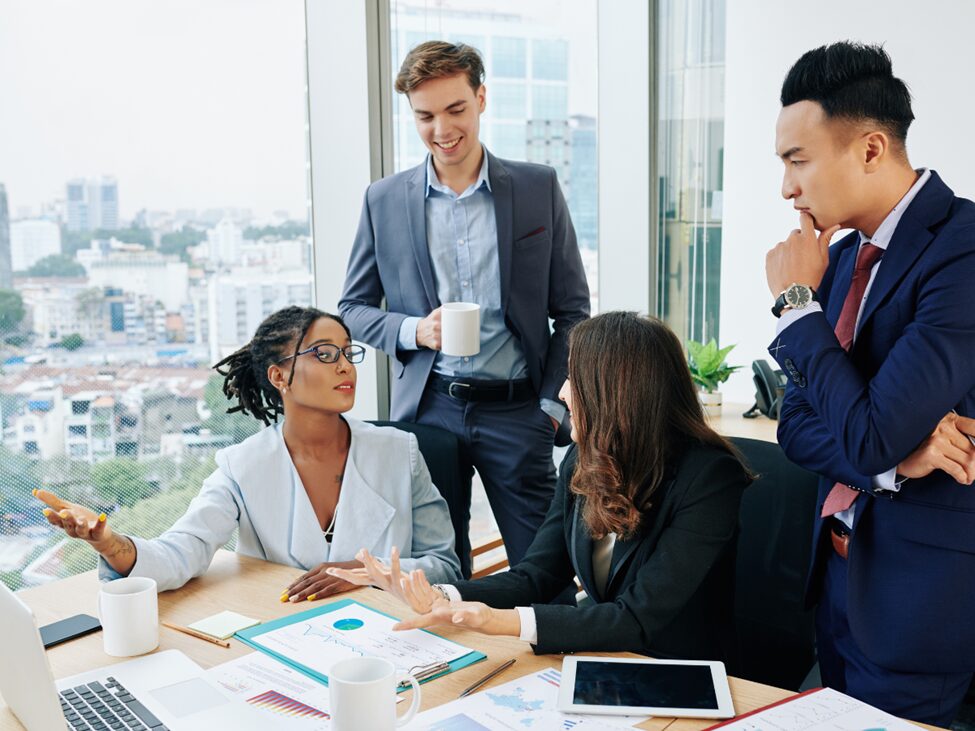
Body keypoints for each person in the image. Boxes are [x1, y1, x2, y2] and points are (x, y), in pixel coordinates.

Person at [328, 312, 750, 661]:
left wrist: (498, 622)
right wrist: (440, 594)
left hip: (683, 671)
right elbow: (537, 576)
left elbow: (636, 618)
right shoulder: (586, 458)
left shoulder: (709, 478)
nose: (564, 392)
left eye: (575, 378)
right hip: (605, 657)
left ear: (619, 395)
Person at [765, 42, 975, 725]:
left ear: (869, 148)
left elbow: (869, 429)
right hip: (836, 580)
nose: (786, 188)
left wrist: (796, 304)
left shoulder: (962, 249)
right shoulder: (841, 258)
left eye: (797, 160)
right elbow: (796, 426)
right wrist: (897, 462)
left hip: (918, 603)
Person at [338, 41, 590, 576]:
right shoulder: (382, 201)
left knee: (545, 571)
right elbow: (353, 309)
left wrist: (549, 408)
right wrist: (414, 330)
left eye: (455, 110)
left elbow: (573, 311)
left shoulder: (536, 187)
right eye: (424, 116)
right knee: (439, 573)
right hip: (429, 413)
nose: (441, 129)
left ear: (480, 98)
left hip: (519, 413)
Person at [34, 306, 460, 599]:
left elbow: (446, 565)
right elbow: (184, 550)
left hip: (393, 634)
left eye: (348, 353)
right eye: (325, 354)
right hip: (288, 633)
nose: (346, 366)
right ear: (280, 376)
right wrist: (110, 543)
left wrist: (368, 573)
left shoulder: (399, 452)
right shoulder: (242, 467)